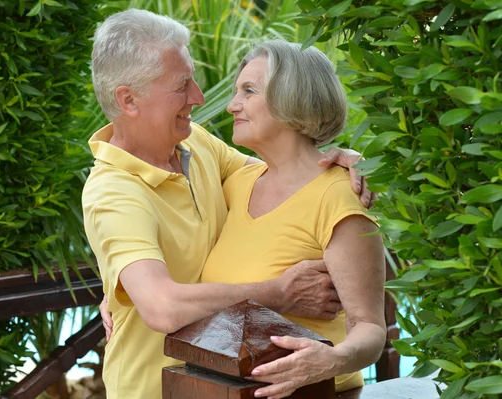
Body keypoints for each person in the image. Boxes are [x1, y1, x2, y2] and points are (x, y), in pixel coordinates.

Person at [83, 9, 373, 399]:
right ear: (128, 100)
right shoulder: (113, 192)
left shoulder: (199, 146)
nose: (203, 99)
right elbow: (162, 306)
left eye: (248, 91)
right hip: (155, 389)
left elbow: (288, 174)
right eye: (182, 85)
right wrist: (278, 291)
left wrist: (349, 159)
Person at [199, 41, 386, 398]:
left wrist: (333, 359)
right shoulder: (236, 184)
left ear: (293, 98)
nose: (231, 105)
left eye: (248, 91)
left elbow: (370, 328)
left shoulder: (338, 194)